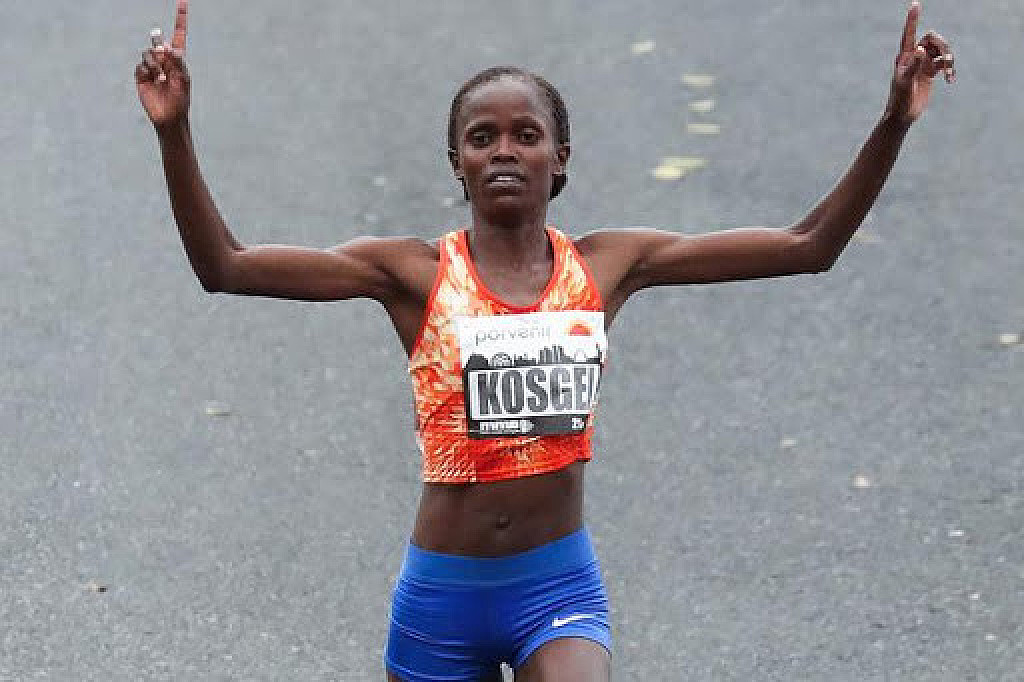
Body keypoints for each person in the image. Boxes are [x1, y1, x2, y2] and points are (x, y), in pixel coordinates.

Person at [135, 1, 954, 680]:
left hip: (557, 587)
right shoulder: (413, 274)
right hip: (443, 596)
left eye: (525, 135)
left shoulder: (608, 266)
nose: (503, 150)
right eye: (481, 137)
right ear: (456, 163)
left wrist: (894, 121)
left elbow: (809, 246)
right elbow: (226, 266)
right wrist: (175, 132)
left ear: (559, 160)